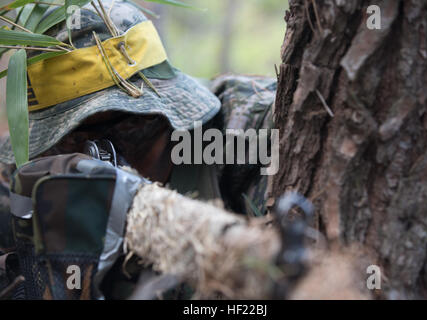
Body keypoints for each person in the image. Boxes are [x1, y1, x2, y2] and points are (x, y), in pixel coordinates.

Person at [0, 0, 276, 299]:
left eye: (130, 130)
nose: (107, 161)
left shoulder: (248, 133)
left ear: (168, 118)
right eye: (71, 141)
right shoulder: (26, 186)